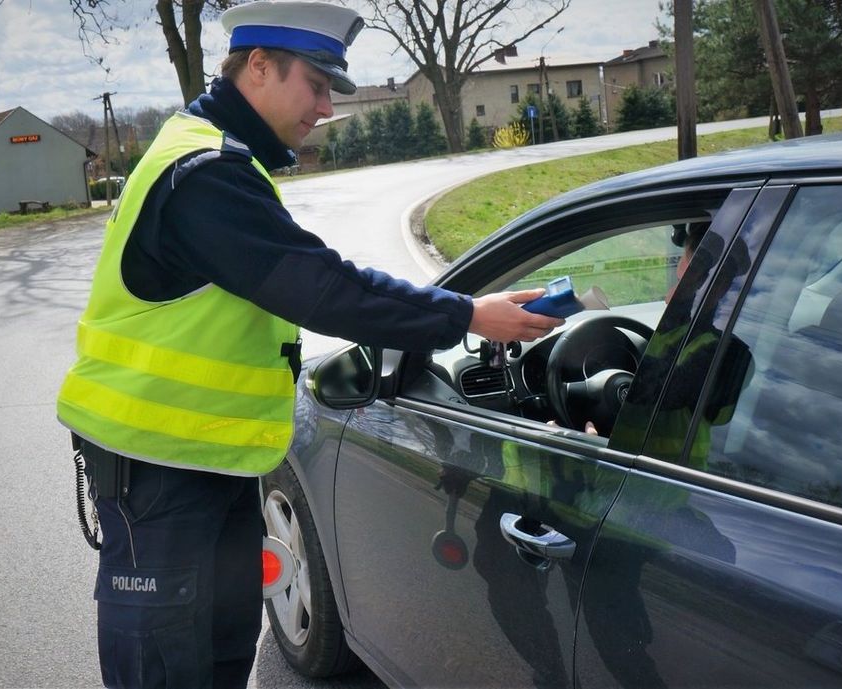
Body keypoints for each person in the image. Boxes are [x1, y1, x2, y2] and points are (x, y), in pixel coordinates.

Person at [55, 2, 562, 687]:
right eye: (316, 85)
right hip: (158, 472)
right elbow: (322, 287)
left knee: (218, 656)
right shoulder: (204, 172)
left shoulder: (222, 158)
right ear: (258, 67)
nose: (326, 107)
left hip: (207, 459)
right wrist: (467, 315)